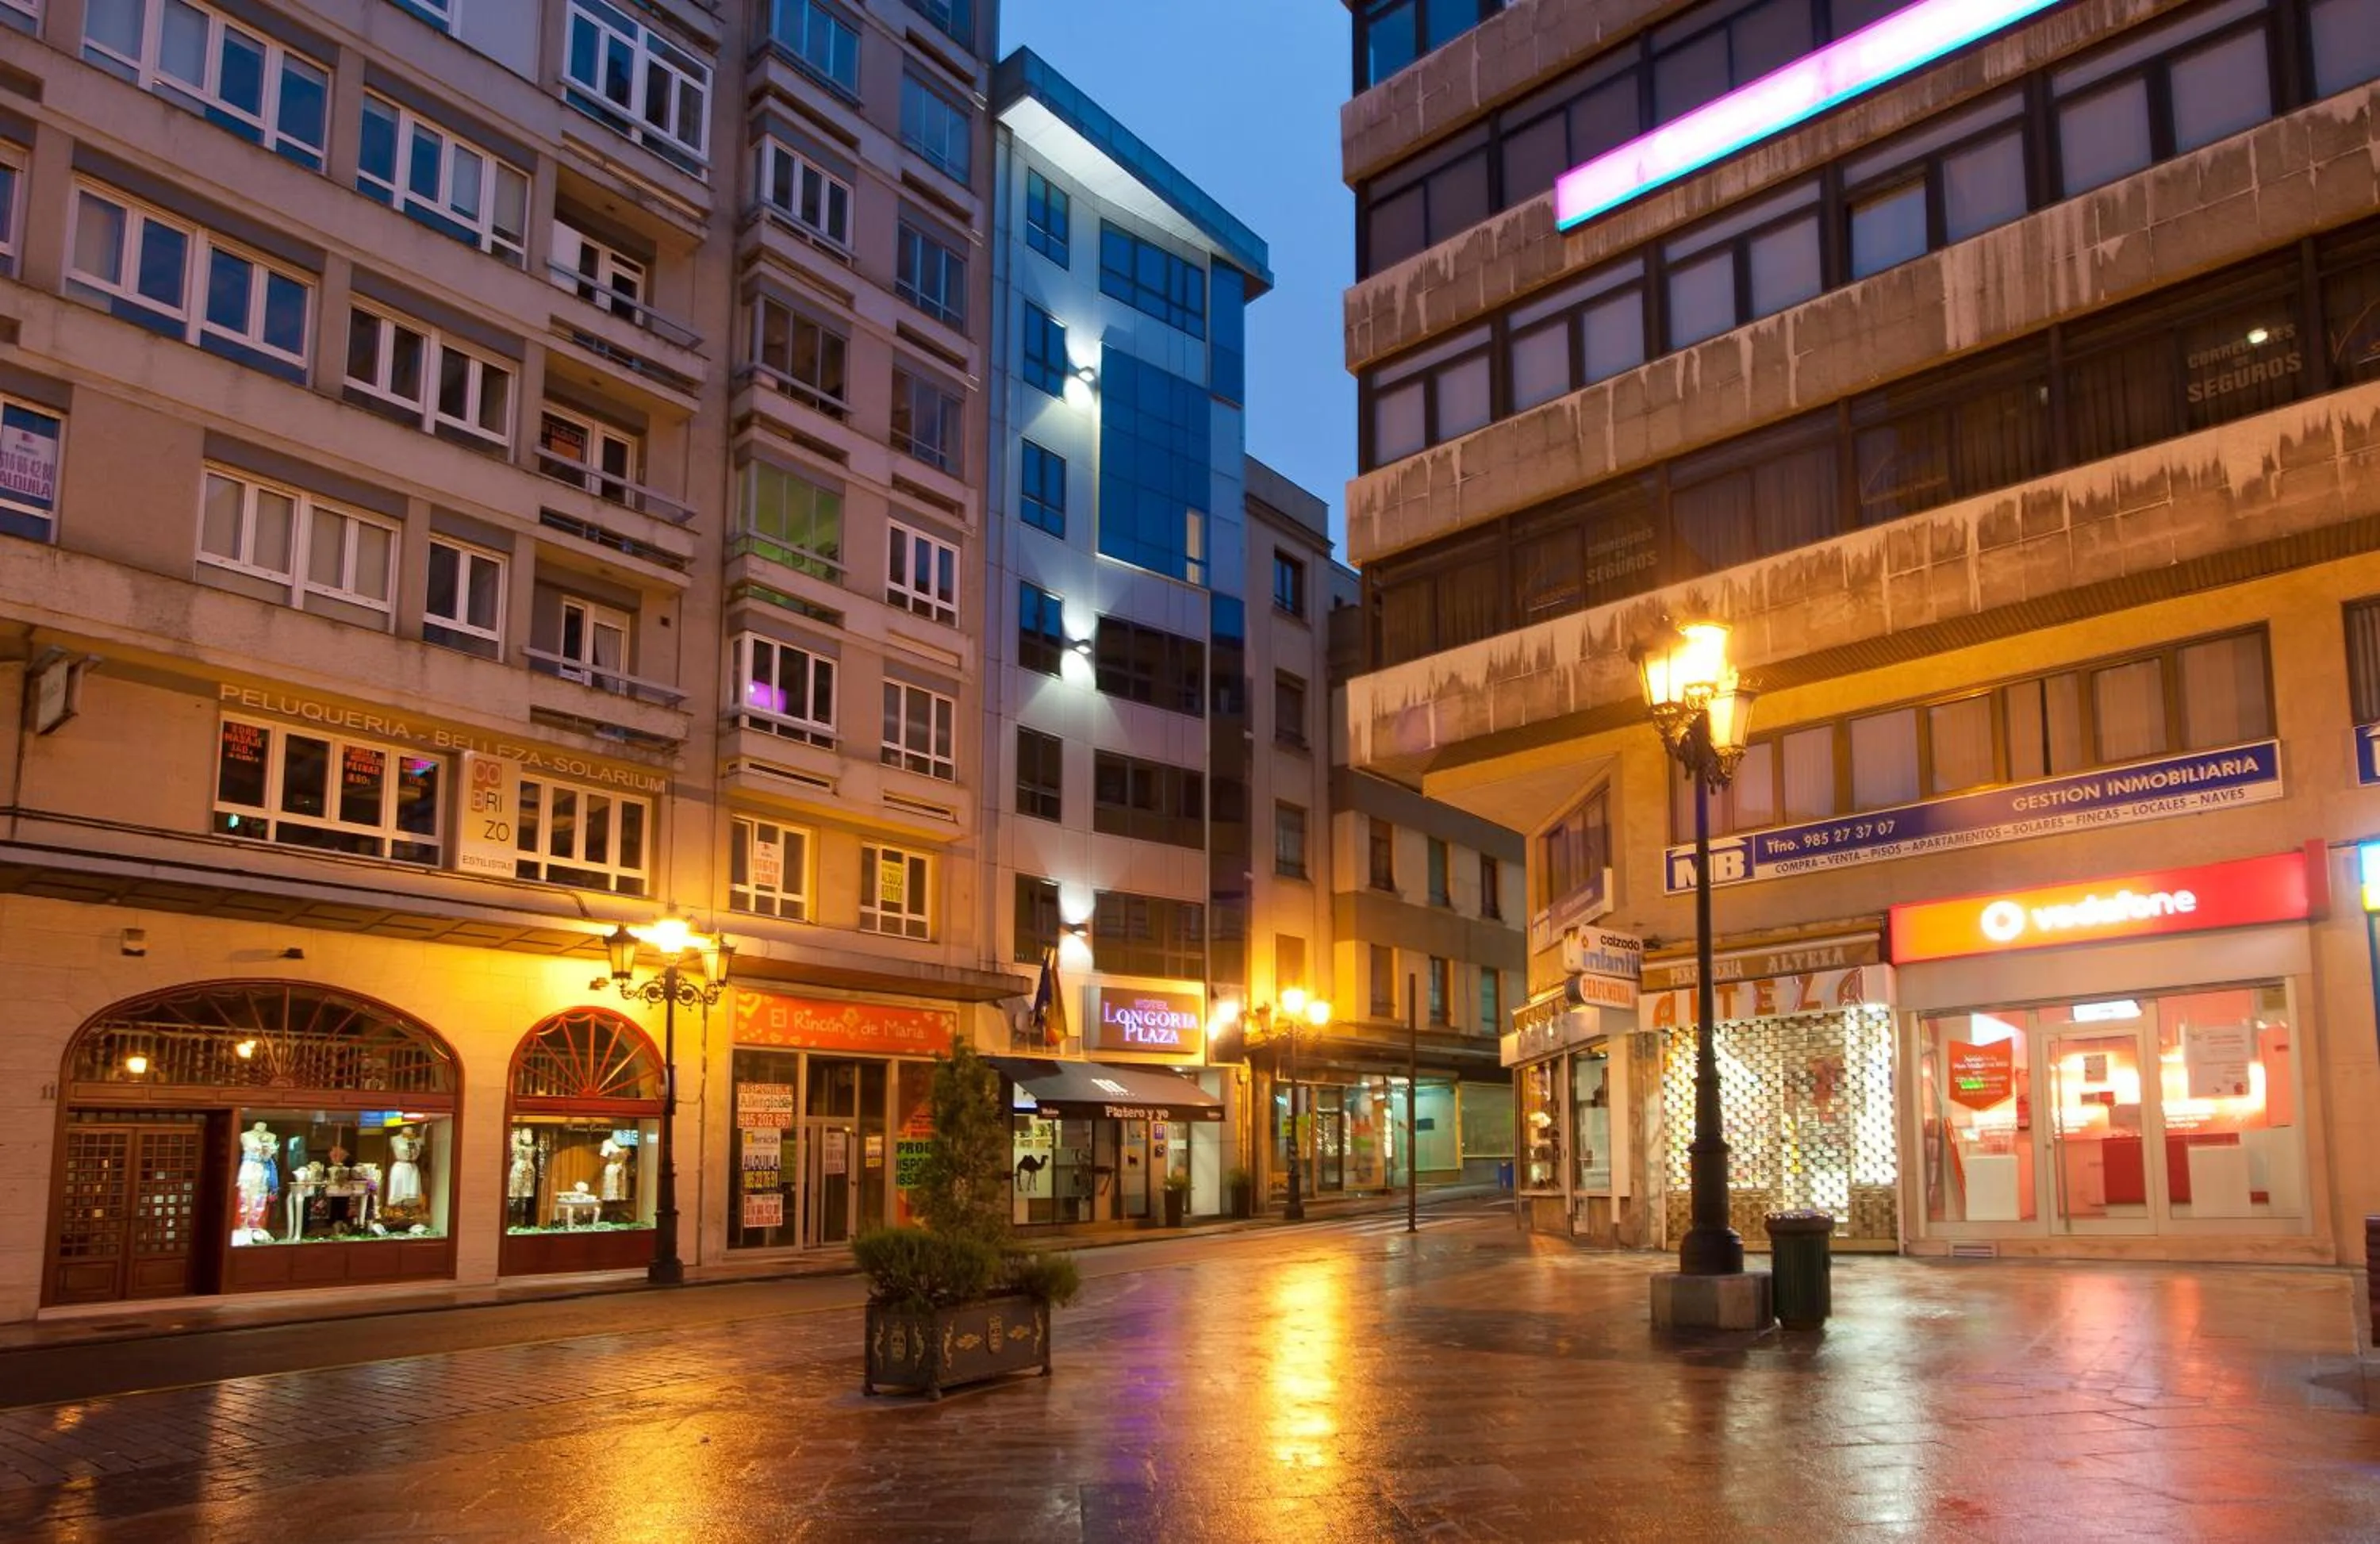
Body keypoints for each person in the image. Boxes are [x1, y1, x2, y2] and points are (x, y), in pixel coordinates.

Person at [235, 1123, 280, 1243]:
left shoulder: (272, 1136)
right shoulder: (245, 1135)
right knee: (245, 1193)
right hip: (249, 1167)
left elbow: (268, 1156)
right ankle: (243, 1224)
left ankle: (255, 1225)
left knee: (261, 1194)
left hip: (263, 1168)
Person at [386, 1124, 425, 1208]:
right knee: (400, 1192)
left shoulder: (416, 1140)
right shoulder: (395, 1139)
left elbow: (422, 1141)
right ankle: (397, 1209)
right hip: (400, 1166)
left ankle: (408, 1211)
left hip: (412, 1168)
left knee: (411, 1193)